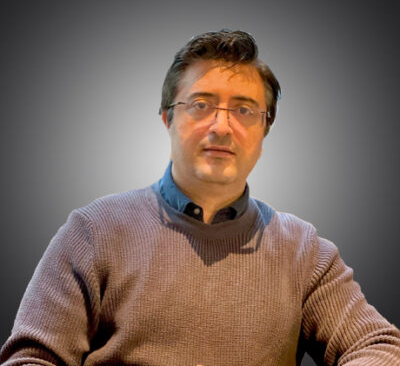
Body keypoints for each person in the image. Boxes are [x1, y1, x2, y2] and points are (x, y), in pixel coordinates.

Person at [1, 30, 399, 366]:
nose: (222, 126)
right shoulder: (94, 231)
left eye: (244, 110)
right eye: (202, 105)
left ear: (264, 133)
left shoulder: (304, 251)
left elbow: (380, 347)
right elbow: (30, 359)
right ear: (168, 119)